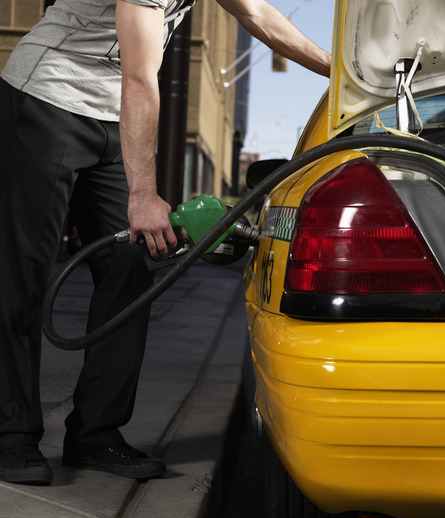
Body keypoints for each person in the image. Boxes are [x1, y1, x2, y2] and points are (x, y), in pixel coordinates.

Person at [0, 0, 330, 486]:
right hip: (48, 100)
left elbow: (259, 14)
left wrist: (341, 74)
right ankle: (12, 435)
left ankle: (95, 434)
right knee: (22, 273)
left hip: (115, 116)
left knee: (132, 266)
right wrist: (143, 194)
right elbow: (140, 78)